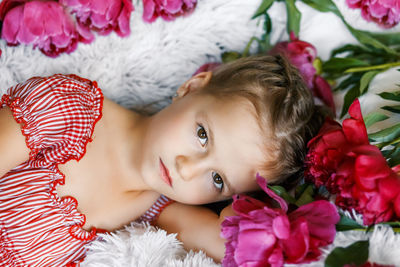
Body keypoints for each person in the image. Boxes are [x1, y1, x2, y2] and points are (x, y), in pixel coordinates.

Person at [0, 54, 326, 266]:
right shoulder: (70, 109)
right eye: (202, 135)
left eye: (217, 179)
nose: (187, 168)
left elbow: (235, 247)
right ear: (192, 87)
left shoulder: (156, 212)